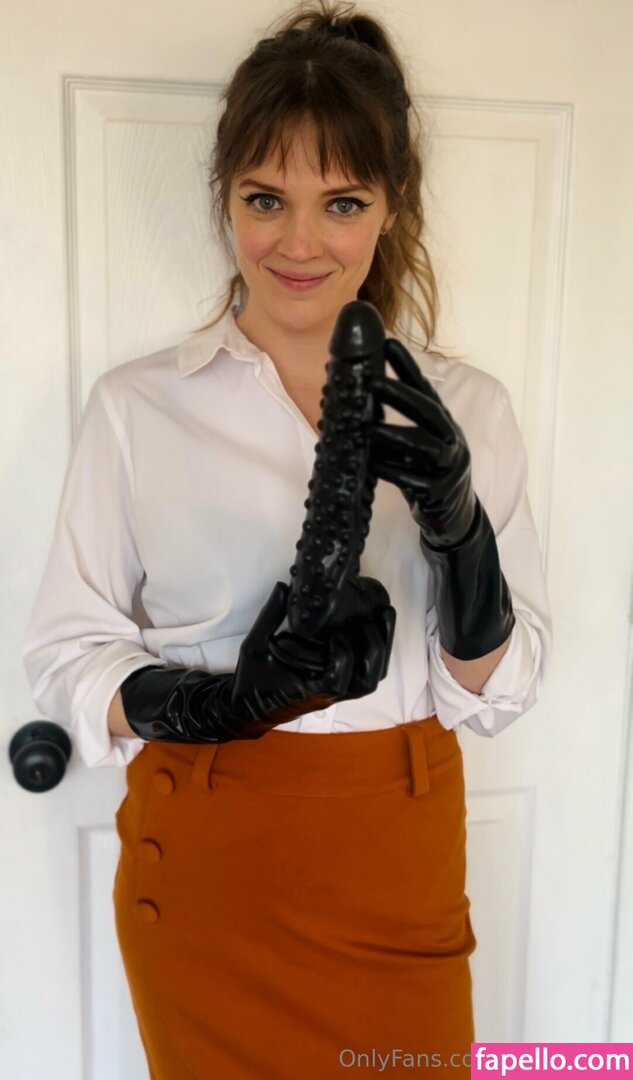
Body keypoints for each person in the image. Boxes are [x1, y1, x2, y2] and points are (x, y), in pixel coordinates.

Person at [20, 1, 553, 1076]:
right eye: (265, 199)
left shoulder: (468, 411)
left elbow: (503, 692)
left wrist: (462, 539)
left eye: (341, 202)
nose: (299, 243)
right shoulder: (136, 408)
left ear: (390, 207)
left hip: (396, 863)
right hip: (206, 868)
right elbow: (66, 657)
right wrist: (217, 704)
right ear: (225, 197)